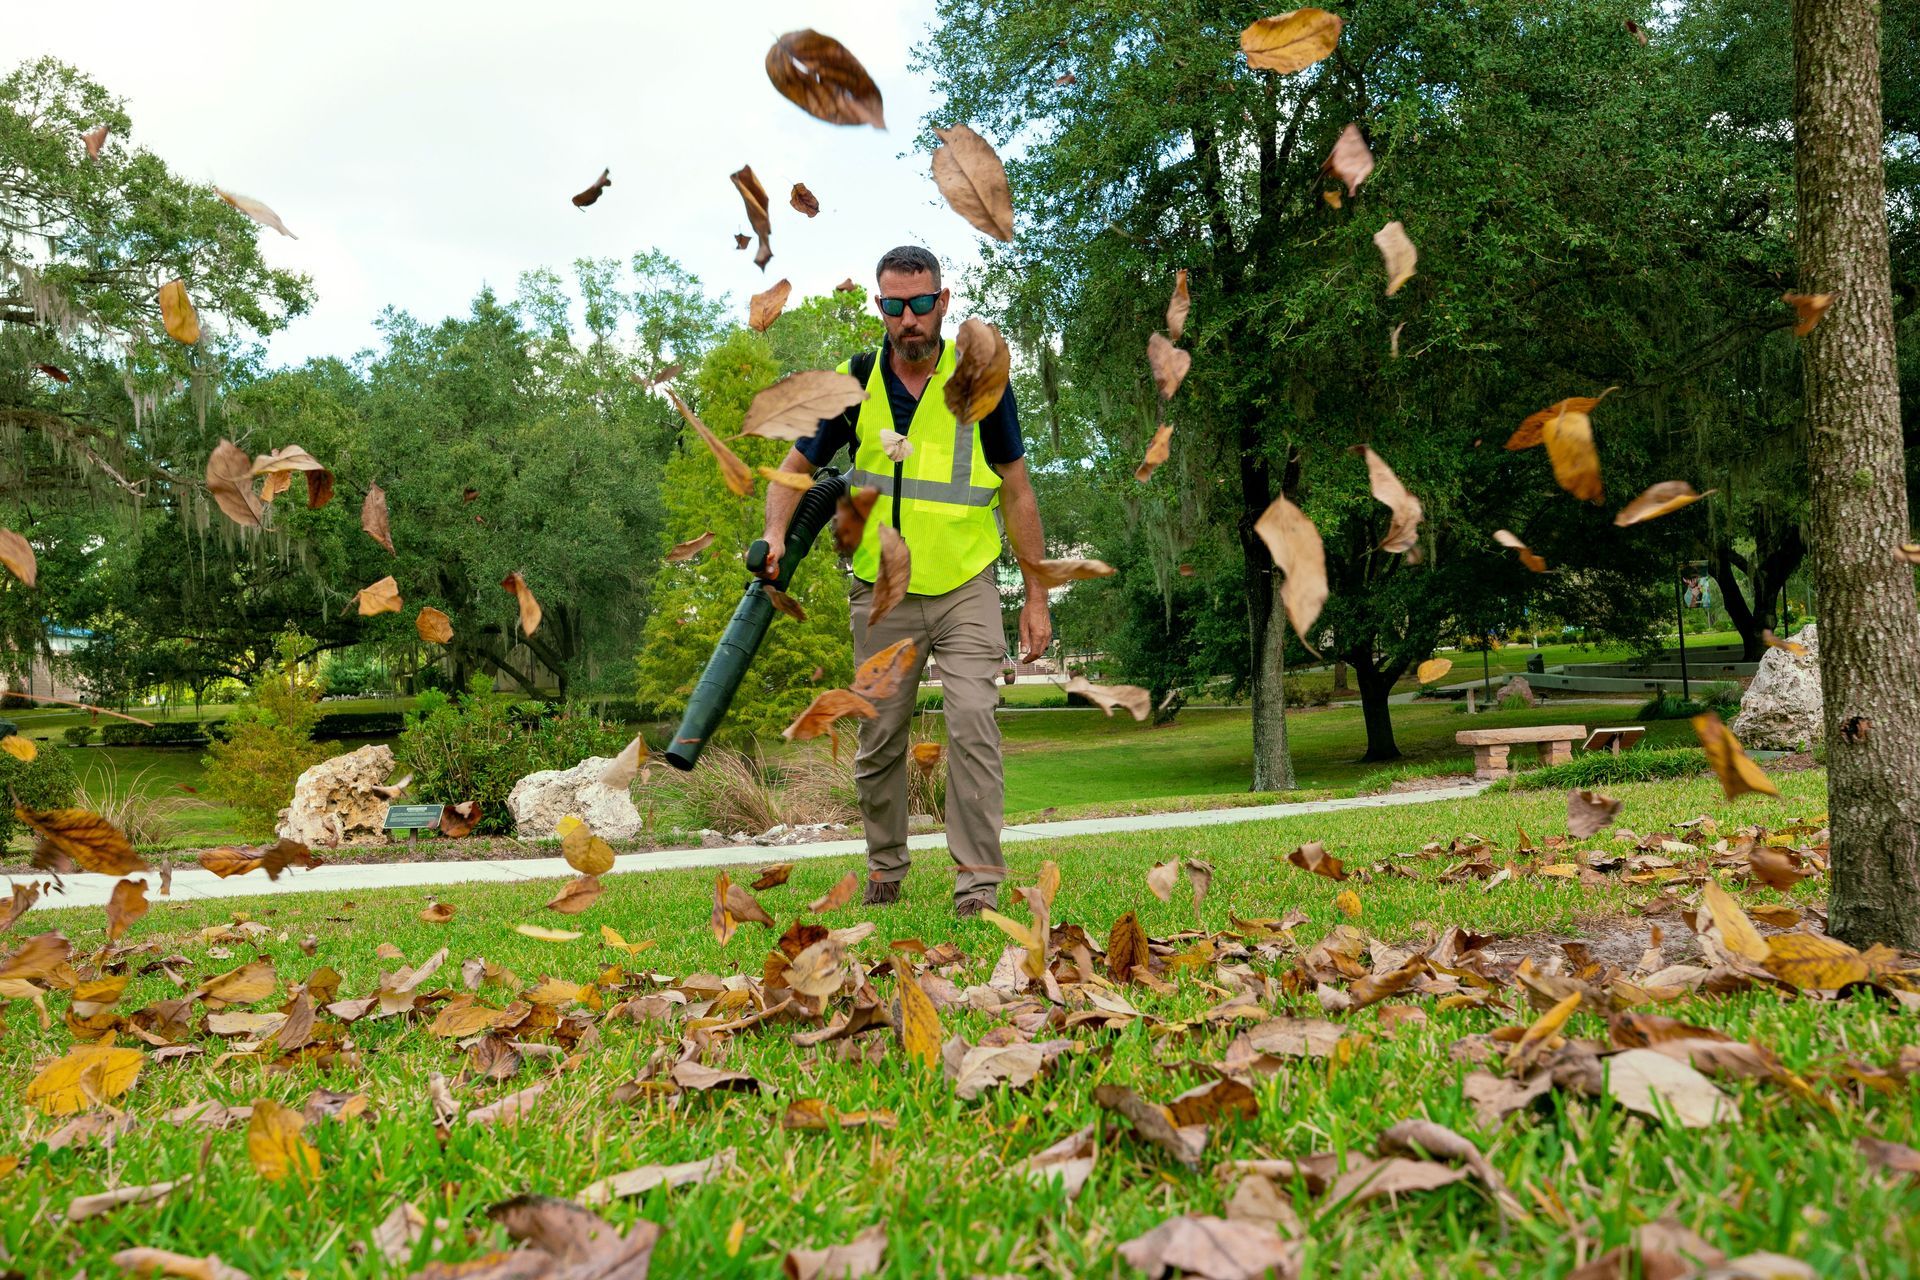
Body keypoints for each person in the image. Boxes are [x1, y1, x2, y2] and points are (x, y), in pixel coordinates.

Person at [755, 245, 1052, 918]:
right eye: (895, 306)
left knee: (973, 719)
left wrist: (1036, 594)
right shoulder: (855, 383)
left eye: (921, 304)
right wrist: (775, 534)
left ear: (943, 303)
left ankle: (977, 883)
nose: (909, 319)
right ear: (880, 309)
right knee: (880, 738)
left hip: (966, 584)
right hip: (881, 592)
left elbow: (1018, 488)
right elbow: (795, 464)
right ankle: (885, 865)